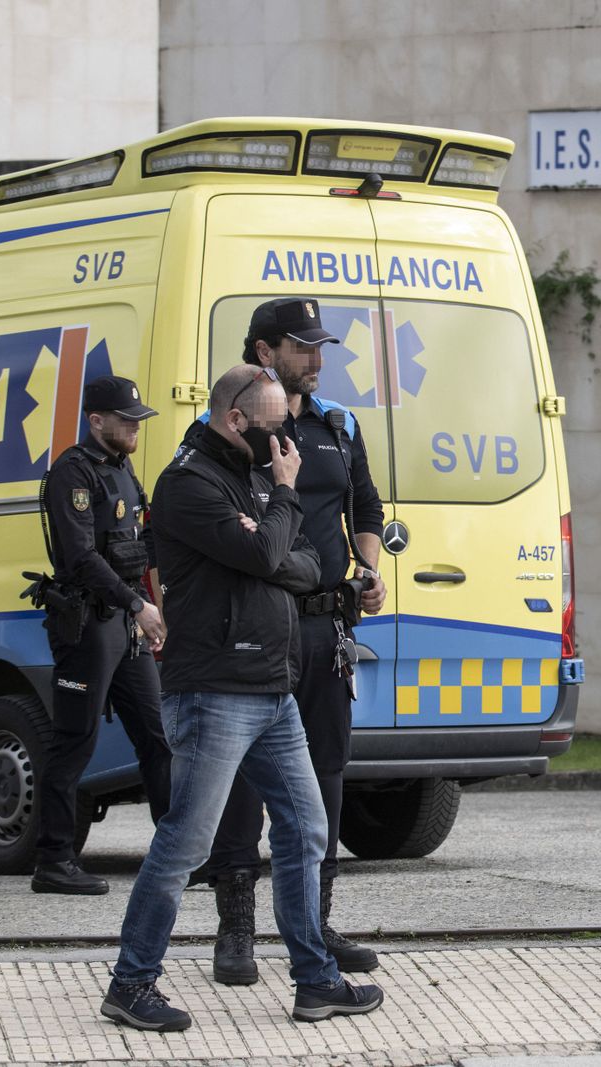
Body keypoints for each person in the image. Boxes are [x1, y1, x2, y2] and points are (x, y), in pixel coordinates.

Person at [102, 365, 383, 1031]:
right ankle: (131, 983)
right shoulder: (189, 483)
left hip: (272, 688)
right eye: (274, 426)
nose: (286, 440)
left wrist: (268, 534)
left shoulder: (253, 478)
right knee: (187, 842)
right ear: (235, 419)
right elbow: (264, 557)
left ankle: (315, 981)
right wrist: (279, 509)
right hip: (215, 690)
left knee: (306, 828)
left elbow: (306, 562)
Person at [195, 297, 387, 986]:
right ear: (263, 351)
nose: (316, 358)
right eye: (302, 346)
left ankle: (316, 924)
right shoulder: (230, 427)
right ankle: (236, 930)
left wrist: (368, 569)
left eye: (319, 346)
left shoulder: (338, 424)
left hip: (324, 626)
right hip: (254, 627)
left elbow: (366, 506)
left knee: (325, 776)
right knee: (244, 779)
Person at [30, 375, 171, 895]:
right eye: (127, 420)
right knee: (74, 741)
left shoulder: (121, 468)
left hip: (125, 624)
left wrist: (151, 604)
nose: (136, 428)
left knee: (157, 737)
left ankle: (176, 853)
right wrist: (137, 605)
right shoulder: (73, 472)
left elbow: (140, 543)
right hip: (89, 624)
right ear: (96, 421)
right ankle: (53, 861)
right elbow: (81, 557)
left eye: (138, 420)